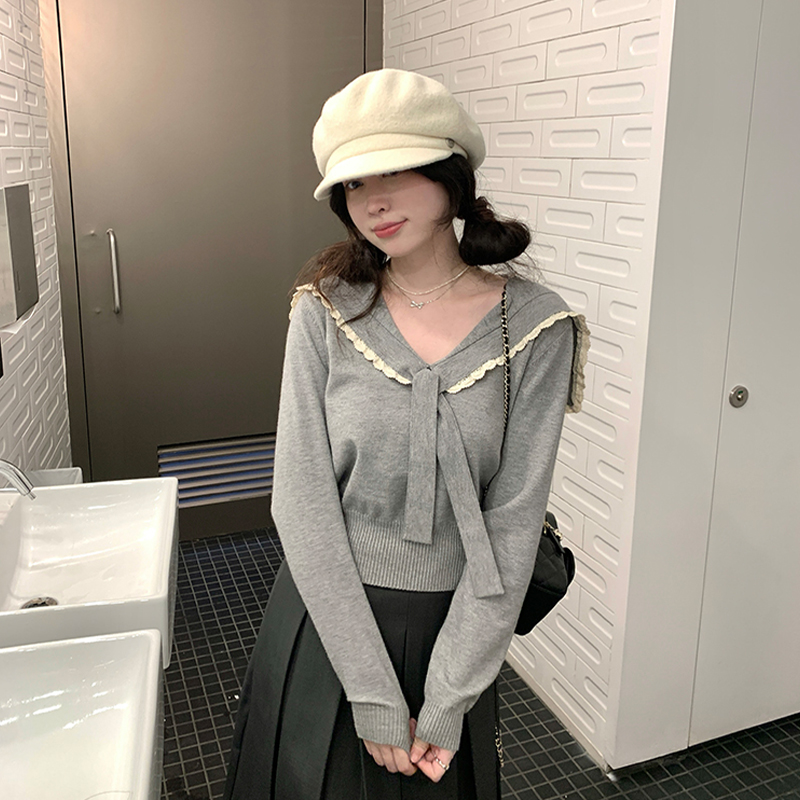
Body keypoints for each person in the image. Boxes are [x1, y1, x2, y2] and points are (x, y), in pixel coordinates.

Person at [223, 68, 590, 800]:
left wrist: (450, 693)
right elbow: (300, 501)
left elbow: (513, 522)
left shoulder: (537, 326)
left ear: (452, 175)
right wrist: (368, 688)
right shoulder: (326, 309)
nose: (374, 202)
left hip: (458, 626)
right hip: (327, 622)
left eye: (396, 172)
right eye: (355, 184)